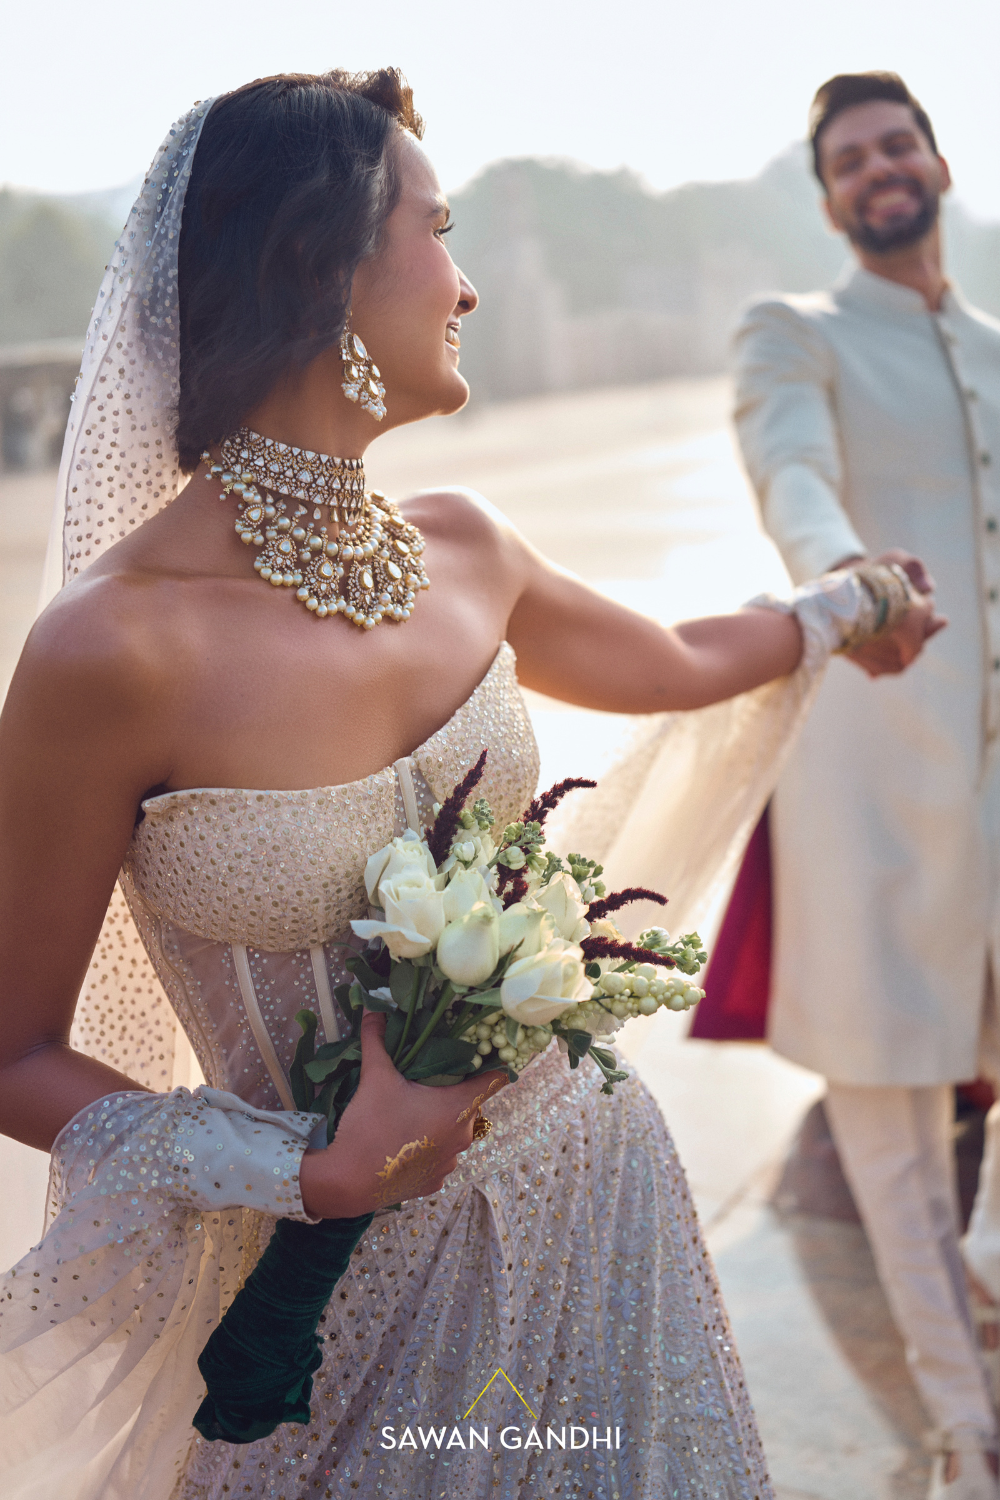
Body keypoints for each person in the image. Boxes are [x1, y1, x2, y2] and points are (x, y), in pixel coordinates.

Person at [0, 71, 935, 1500]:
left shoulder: (468, 546)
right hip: (328, 1311)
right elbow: (14, 1050)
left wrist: (854, 604)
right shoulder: (110, 651)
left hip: (598, 1199)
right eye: (438, 230)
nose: (470, 285)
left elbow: (682, 657)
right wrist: (302, 1169)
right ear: (321, 265)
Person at [733, 71, 1000, 1500]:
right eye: (851, 159)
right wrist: (851, 583)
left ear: (938, 163)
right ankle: (964, 1426)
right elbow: (793, 472)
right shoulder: (797, 331)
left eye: (899, 144)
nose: (881, 169)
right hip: (874, 788)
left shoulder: (997, 348)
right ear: (830, 198)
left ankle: (990, 1265)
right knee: (890, 1131)